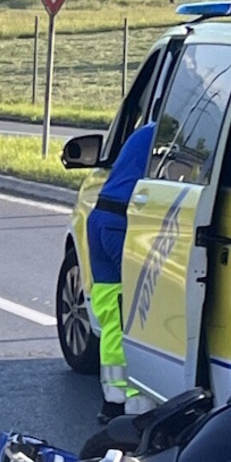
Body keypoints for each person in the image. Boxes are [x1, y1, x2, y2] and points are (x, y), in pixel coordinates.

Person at [84, 120, 155, 419]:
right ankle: (139, 404)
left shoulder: (144, 131)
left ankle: (113, 401)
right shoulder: (173, 131)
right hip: (123, 222)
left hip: (100, 217)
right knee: (140, 313)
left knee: (111, 310)